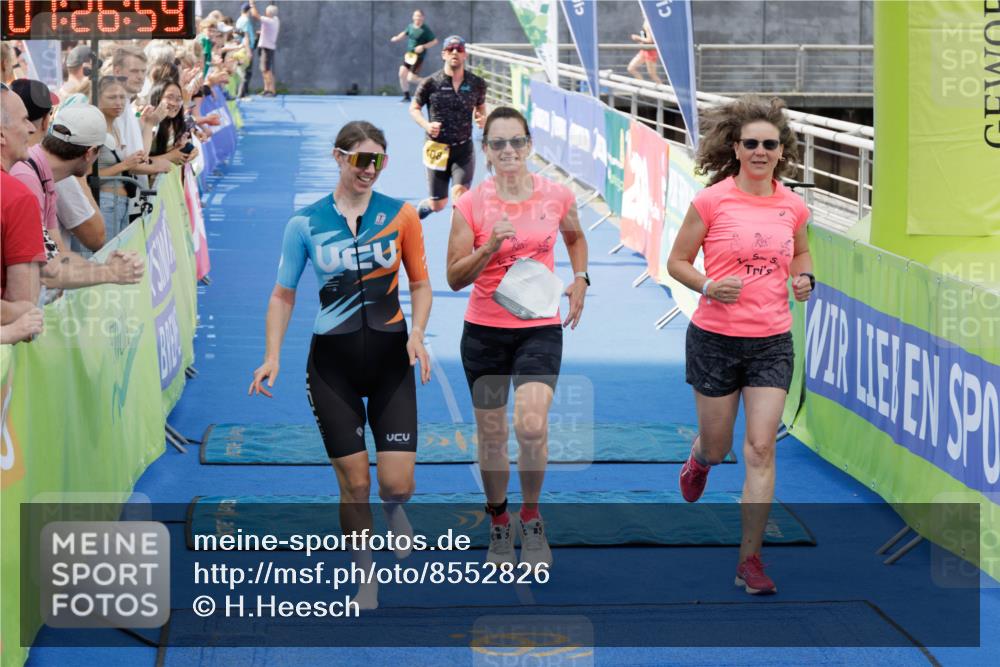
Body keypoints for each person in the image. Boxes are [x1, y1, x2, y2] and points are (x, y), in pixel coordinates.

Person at [249, 121, 432, 610]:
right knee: (355, 484)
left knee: (397, 485)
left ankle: (396, 510)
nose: (370, 170)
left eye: (379, 160)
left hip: (393, 360)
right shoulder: (304, 223)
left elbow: (420, 284)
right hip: (332, 366)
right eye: (361, 159)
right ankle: (365, 575)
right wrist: (272, 356)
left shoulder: (402, 216)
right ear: (338, 157)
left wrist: (417, 334)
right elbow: (282, 294)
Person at [666, 95, 814, 595]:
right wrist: (708, 285)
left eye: (769, 144)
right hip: (715, 340)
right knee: (719, 444)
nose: (760, 151)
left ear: (781, 152)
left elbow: (803, 252)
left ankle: (749, 560)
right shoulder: (712, 201)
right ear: (735, 147)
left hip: (772, 341)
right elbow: (678, 261)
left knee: (761, 447)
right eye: (750, 143)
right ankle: (700, 460)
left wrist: (803, 277)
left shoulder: (793, 206)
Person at [445, 107, 589, 568]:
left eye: (516, 142)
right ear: (485, 151)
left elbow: (575, 238)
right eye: (498, 143)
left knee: (530, 426)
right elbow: (453, 277)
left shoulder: (556, 196)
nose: (508, 151)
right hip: (485, 331)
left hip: (539, 328)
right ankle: (500, 523)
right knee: (491, 436)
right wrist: (488, 248)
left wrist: (581, 278)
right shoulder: (470, 204)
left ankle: (531, 516)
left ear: (529, 145)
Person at [8, 103, 145, 291]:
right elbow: (45, 272)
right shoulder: (27, 178)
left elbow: (59, 255)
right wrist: (110, 272)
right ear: (89, 153)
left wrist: (104, 267)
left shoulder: (43, 175)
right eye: (100, 151)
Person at [8, 78, 106, 253]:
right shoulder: (26, 174)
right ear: (46, 122)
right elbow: (95, 237)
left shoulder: (44, 173)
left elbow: (55, 254)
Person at [409, 36, 487, 221]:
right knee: (439, 204)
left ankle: (457, 246)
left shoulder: (477, 83)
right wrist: (426, 125)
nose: (455, 52)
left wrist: (481, 117)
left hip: (463, 149)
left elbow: (481, 106)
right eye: (450, 49)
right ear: (443, 54)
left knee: (460, 197)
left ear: (464, 55)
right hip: (436, 148)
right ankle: (426, 206)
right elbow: (414, 108)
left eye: (459, 49)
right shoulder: (430, 83)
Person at [1, 83, 46, 303]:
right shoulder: (18, 197)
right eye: (23, 120)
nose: (31, 128)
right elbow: (24, 305)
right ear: (1, 135)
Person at [390, 9, 438, 103]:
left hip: (419, 57)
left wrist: (423, 46)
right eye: (416, 16)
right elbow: (404, 33)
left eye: (419, 16)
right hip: (410, 55)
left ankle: (431, 84)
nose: (417, 18)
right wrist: (397, 38)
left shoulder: (425, 30)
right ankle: (407, 96)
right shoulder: (410, 26)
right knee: (402, 73)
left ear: (423, 18)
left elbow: (435, 41)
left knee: (411, 78)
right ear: (413, 17)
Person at [251, 1, 280, 97]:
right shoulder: (275, 19)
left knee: (266, 70)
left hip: (266, 48)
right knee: (265, 70)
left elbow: (255, 15)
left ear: (268, 13)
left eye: (266, 11)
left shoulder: (269, 20)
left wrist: (252, 3)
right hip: (267, 47)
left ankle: (271, 90)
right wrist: (262, 33)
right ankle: (267, 89)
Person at [627, 21, 662, 85]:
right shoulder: (646, 22)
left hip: (650, 51)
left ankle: (664, 92)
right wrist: (641, 41)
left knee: (652, 74)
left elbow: (650, 40)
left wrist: (638, 38)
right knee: (631, 68)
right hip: (644, 50)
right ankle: (644, 86)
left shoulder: (648, 23)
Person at [235, 2, 258, 98]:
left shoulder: (240, 19)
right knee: (246, 72)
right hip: (245, 48)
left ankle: (243, 93)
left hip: (242, 47)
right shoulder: (245, 20)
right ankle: (242, 94)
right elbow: (245, 36)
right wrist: (248, 50)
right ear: (248, 11)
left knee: (244, 71)